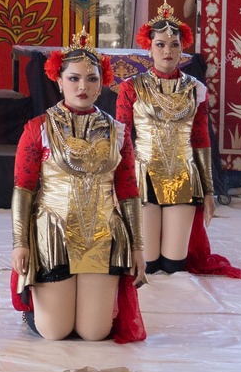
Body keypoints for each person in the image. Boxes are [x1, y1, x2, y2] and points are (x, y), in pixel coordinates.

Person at [11, 34, 145, 342]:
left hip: (101, 234)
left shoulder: (118, 132)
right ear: (58, 80)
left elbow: (128, 191)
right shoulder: (38, 129)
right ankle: (35, 308)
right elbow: (24, 189)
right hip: (53, 233)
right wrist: (21, 242)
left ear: (102, 83)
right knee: (56, 332)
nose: (82, 87)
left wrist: (137, 247)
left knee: (94, 333)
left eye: (91, 79)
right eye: (74, 78)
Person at [116, 3, 241, 278]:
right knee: (148, 266)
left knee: (174, 267)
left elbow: (201, 140)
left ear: (182, 49)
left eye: (174, 45)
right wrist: (118, 186)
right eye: (161, 45)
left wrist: (209, 191)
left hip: (183, 178)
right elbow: (122, 138)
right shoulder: (131, 87)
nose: (168, 52)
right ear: (149, 48)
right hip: (144, 178)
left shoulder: (195, 89)